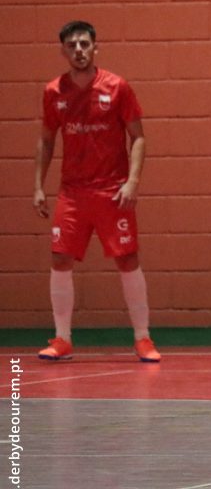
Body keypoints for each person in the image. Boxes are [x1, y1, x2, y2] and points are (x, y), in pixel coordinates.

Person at [34, 21, 160, 362]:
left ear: (94, 47)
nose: (79, 49)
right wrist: (38, 186)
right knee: (60, 258)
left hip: (111, 191)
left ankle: (143, 338)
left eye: (84, 43)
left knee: (127, 258)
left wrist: (132, 181)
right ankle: (62, 339)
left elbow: (138, 137)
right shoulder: (53, 92)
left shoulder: (117, 87)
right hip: (72, 193)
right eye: (72, 45)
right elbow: (46, 141)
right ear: (63, 50)